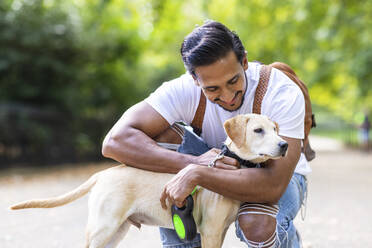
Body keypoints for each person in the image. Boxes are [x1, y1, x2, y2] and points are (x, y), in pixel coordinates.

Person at [102, 20, 310, 248]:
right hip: (215, 165)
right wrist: (190, 163)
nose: (228, 95)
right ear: (195, 80)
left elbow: (273, 185)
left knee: (258, 224)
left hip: (275, 174)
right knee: (161, 135)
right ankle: (184, 242)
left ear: (244, 61)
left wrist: (197, 174)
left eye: (234, 81)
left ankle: (286, 240)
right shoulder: (182, 90)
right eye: (212, 89)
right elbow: (115, 141)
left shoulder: (280, 91)